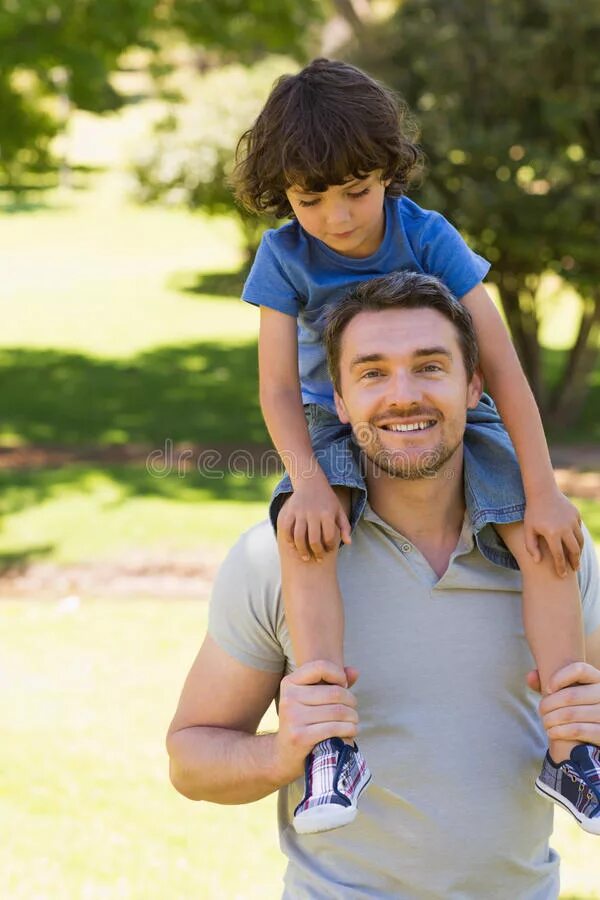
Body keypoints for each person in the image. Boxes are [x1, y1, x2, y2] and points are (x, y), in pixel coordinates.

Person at [230, 57, 588, 833]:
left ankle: (574, 749)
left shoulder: (425, 234)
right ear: (284, 196)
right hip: (335, 422)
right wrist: (312, 484)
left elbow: (501, 367)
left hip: (452, 411)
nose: (337, 217)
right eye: (309, 198)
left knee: (544, 536)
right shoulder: (284, 257)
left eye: (356, 190)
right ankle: (331, 745)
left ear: (389, 171)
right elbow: (279, 391)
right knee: (302, 532)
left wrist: (546, 485)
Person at [167, 272, 600, 898]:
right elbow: (191, 759)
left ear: (473, 385)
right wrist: (283, 753)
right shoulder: (277, 559)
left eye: (430, 366)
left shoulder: (552, 553)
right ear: (339, 401)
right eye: (372, 372)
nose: (403, 395)